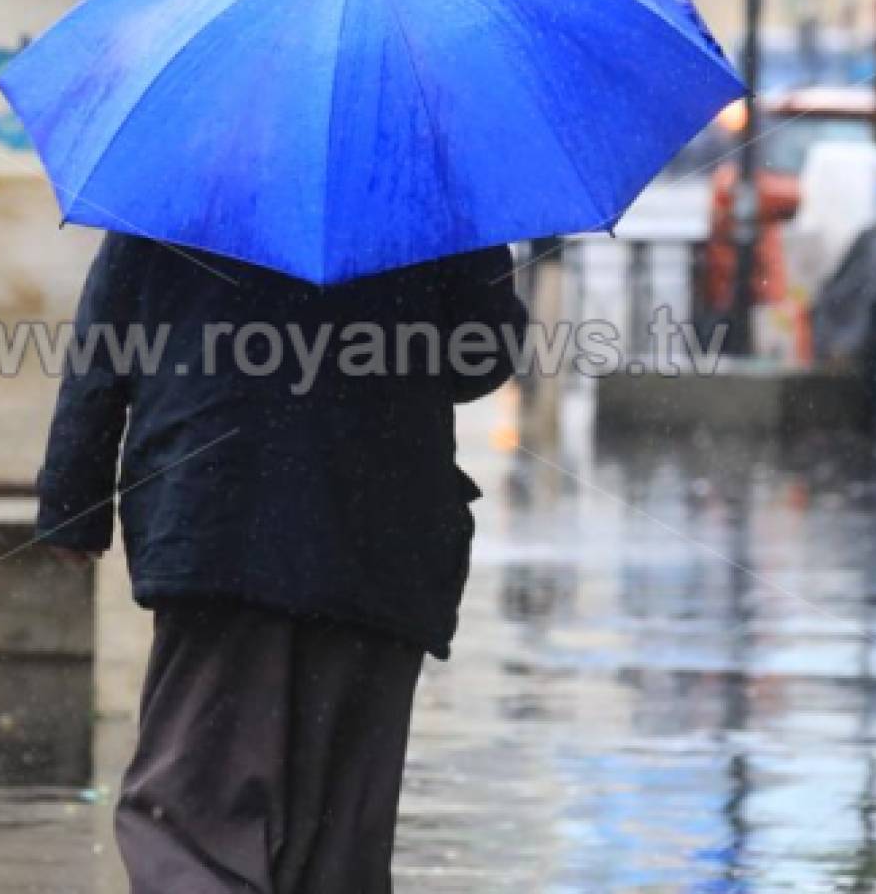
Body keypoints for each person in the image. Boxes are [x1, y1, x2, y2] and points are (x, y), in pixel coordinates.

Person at [35, 232, 529, 894]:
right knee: (336, 838)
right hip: (376, 538)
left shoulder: (185, 165)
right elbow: (484, 358)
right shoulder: (425, 185)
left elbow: (105, 342)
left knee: (195, 818)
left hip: (217, 522)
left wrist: (74, 499)